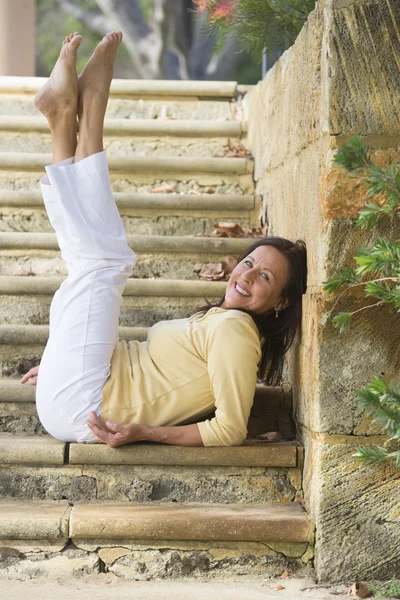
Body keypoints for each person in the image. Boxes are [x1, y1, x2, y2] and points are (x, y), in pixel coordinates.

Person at [20, 32, 307, 448]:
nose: (247, 276)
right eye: (249, 264)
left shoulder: (238, 334)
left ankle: (75, 111)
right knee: (86, 255)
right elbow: (144, 373)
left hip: (87, 407)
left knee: (104, 262)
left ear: (280, 301)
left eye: (265, 276)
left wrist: (143, 433)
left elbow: (229, 428)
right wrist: (66, 362)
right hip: (82, 385)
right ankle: (68, 115)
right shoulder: (216, 323)